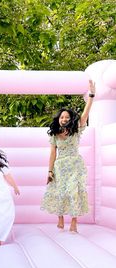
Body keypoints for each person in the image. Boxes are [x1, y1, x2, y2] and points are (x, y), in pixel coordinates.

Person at [40, 80, 96, 233]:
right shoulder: (54, 135)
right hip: (60, 166)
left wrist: (91, 95)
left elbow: (85, 113)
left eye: (66, 117)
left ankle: (74, 221)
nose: (64, 119)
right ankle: (60, 218)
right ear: (58, 119)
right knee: (60, 191)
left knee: (74, 191)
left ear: (71, 119)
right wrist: (49, 171)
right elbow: (52, 154)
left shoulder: (76, 129)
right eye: (61, 117)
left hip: (75, 165)